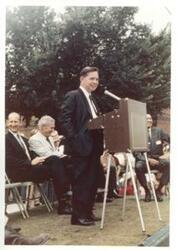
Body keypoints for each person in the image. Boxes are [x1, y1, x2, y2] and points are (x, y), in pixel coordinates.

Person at [60, 66, 104, 226]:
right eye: (92, 78)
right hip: (81, 147)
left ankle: (87, 212)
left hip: (94, 147)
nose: (95, 82)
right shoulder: (73, 96)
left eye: (97, 79)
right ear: (82, 78)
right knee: (81, 182)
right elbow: (65, 120)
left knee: (92, 181)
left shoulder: (93, 99)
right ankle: (77, 216)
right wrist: (75, 140)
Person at [5, 112, 70, 215]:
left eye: (16, 121)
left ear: (20, 123)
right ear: (7, 123)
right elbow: (8, 159)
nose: (13, 124)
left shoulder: (23, 139)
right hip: (18, 172)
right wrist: (30, 162)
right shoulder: (5, 139)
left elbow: (32, 155)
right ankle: (64, 202)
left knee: (55, 160)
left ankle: (66, 202)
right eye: (11, 121)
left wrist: (39, 160)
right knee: (58, 168)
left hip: (30, 169)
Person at [28, 115, 71, 214]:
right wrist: (61, 154)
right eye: (51, 128)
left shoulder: (49, 138)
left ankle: (74, 199)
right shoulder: (34, 139)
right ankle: (63, 204)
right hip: (43, 167)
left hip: (55, 165)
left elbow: (54, 153)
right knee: (57, 161)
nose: (53, 130)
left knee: (71, 163)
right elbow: (47, 155)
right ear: (43, 127)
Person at [135, 114, 170, 202]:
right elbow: (136, 153)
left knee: (170, 164)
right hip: (144, 161)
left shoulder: (158, 131)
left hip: (158, 160)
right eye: (147, 119)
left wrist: (168, 153)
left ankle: (158, 190)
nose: (149, 120)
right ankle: (147, 191)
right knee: (138, 166)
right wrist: (148, 160)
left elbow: (170, 139)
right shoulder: (138, 133)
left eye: (150, 118)